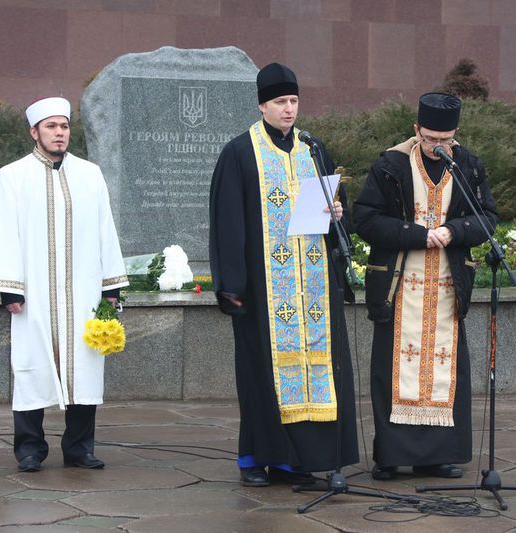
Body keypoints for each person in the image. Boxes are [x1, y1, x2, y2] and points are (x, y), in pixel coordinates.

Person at [209, 63, 359, 487]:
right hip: (263, 291)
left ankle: (302, 461)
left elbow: (334, 208)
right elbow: (227, 223)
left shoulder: (313, 149)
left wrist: (338, 212)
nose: (289, 109)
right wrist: (232, 286)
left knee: (318, 371)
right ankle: (256, 460)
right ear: (262, 105)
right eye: (280, 102)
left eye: (293, 101)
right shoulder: (240, 153)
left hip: (312, 288)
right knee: (261, 376)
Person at [353, 92, 499, 480]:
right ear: (416, 130)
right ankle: (390, 455)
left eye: (446, 139)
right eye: (431, 138)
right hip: (399, 288)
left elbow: (487, 216)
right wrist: (416, 234)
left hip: (448, 287)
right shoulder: (391, 165)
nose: (438, 147)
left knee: (446, 373)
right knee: (392, 371)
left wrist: (455, 230)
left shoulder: (468, 165)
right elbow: (365, 219)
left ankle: (437, 456)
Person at [0, 97, 129, 472]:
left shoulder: (90, 174)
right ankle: (30, 449)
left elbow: (106, 231)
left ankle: (80, 448)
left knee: (85, 368)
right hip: (34, 293)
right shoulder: (12, 176)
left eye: (64, 127)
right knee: (30, 365)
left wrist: (110, 287)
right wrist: (11, 286)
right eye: (51, 127)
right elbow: (6, 233)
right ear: (34, 132)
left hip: (83, 291)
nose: (59, 133)